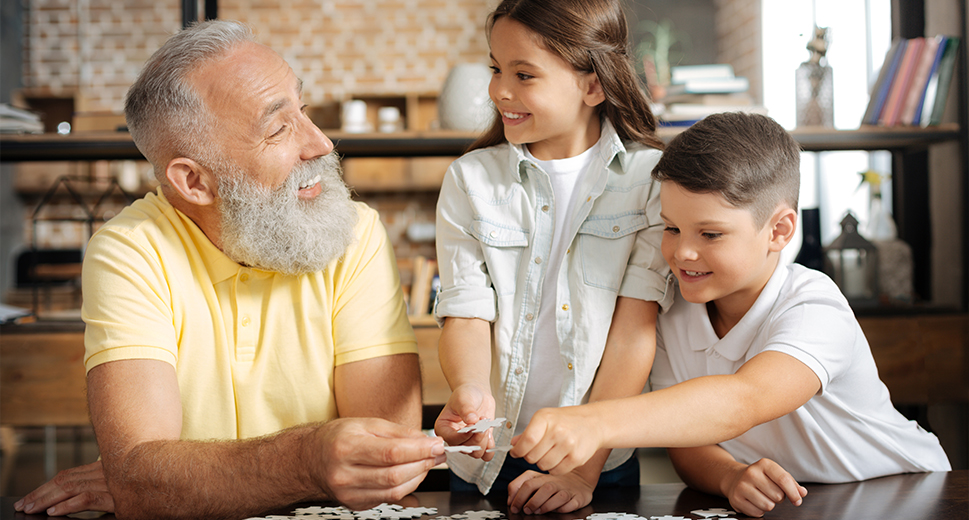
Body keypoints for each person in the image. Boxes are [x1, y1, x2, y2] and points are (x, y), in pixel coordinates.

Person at [14, 20, 445, 519]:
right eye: (279, 128)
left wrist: (178, 478)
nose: (321, 143)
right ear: (194, 181)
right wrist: (308, 461)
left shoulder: (354, 231)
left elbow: (385, 465)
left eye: (302, 110)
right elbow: (142, 482)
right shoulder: (129, 251)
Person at [509, 112, 951, 517]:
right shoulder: (673, 310)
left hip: (907, 493)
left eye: (711, 234)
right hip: (802, 503)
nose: (682, 251)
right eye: (671, 227)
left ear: (779, 231)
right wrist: (730, 475)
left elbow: (744, 399)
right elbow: (689, 440)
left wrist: (595, 421)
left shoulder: (815, 306)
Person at [433, 0, 672, 514]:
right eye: (496, 68)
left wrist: (582, 472)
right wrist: (470, 392)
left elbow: (634, 332)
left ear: (593, 85)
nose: (498, 89)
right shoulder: (471, 179)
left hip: (596, 460)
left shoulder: (650, 182)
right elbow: (467, 309)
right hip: (487, 455)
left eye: (523, 74)